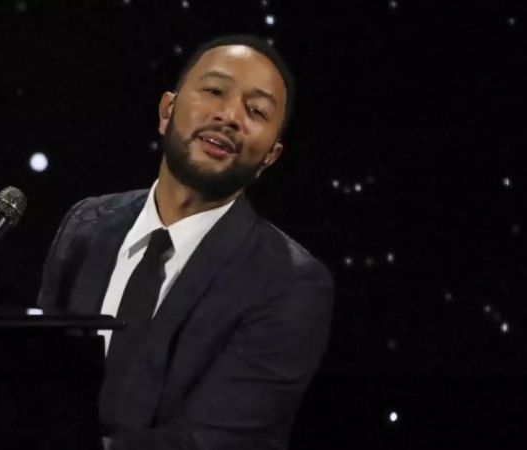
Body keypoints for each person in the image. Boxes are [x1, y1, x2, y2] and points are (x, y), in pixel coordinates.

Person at [37, 35, 334, 449]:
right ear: (167, 110)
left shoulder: (289, 282)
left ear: (271, 156)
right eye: (214, 91)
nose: (229, 116)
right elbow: (37, 383)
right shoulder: (85, 226)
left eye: (256, 111)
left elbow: (208, 440)